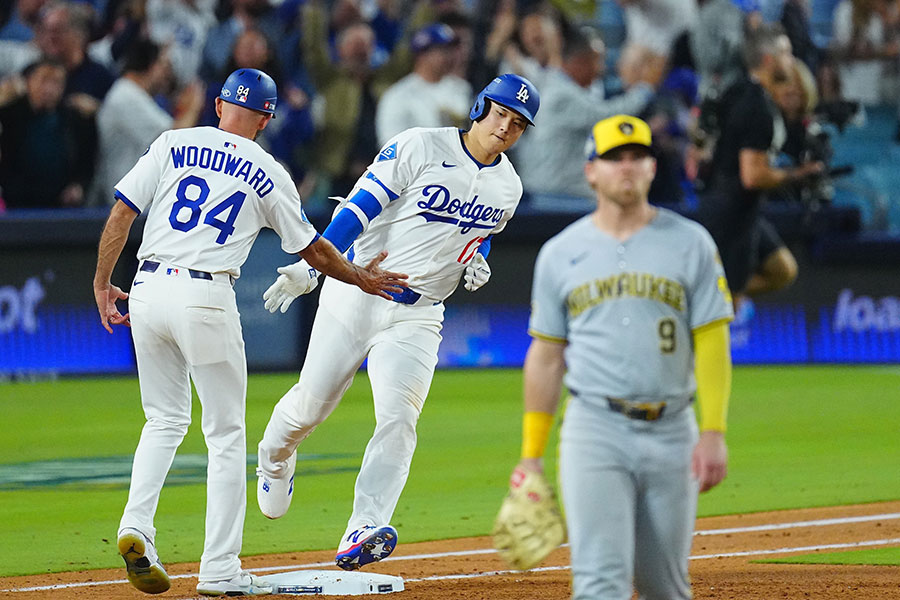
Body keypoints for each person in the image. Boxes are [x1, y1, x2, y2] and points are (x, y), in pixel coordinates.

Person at [92, 68, 407, 597]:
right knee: (225, 436)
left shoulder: (174, 141)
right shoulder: (268, 170)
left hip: (146, 287)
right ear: (265, 117)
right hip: (205, 294)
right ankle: (219, 570)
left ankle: (136, 525)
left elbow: (121, 212)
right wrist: (361, 276)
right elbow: (313, 248)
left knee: (164, 420)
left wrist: (103, 282)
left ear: (219, 106)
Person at [254, 73, 540, 571]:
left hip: (420, 313)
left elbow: (482, 231)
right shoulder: (419, 145)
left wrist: (478, 256)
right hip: (357, 291)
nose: (505, 127)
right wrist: (310, 264)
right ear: (479, 108)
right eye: (500, 114)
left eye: (517, 124)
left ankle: (362, 527)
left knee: (400, 418)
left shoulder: (509, 186)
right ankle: (273, 458)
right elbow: (360, 209)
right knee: (310, 407)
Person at [515, 114, 734, 600]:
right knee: (599, 583)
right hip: (595, 430)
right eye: (615, 158)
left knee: (665, 587)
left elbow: (713, 340)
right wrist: (531, 455)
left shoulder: (691, 242)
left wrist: (714, 430)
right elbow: (547, 356)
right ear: (591, 171)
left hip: (674, 431)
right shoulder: (560, 253)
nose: (627, 167)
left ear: (654, 168)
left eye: (638, 157)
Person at [698, 24, 823, 302]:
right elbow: (752, 176)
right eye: (787, 53)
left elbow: (705, 140)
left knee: (782, 270)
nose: (792, 61)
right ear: (769, 60)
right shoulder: (759, 108)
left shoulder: (737, 89)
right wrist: (797, 174)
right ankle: (708, 294)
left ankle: (709, 292)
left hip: (734, 207)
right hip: (731, 217)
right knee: (728, 307)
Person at [90, 38, 204, 206]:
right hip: (127, 203)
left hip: (135, 201)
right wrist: (194, 105)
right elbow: (175, 138)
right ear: (150, 65)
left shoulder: (135, 94)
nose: (167, 73)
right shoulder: (126, 95)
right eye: (163, 65)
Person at [0, 57, 96, 208]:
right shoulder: (9, 115)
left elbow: (87, 161)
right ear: (28, 82)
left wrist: (79, 185)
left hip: (61, 204)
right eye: (43, 80)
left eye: (56, 82)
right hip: (16, 203)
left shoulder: (75, 119)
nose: (49, 89)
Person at [375, 22, 471, 145]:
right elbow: (390, 145)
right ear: (422, 55)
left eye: (450, 50)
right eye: (442, 50)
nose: (449, 56)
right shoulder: (398, 95)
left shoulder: (462, 88)